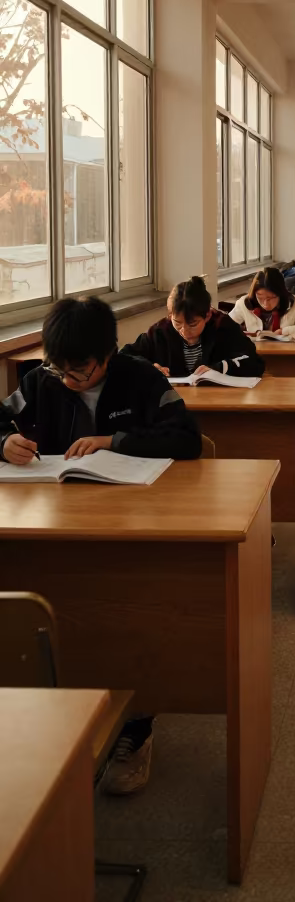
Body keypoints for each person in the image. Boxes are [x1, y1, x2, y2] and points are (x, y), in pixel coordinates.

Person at [0, 295, 202, 796]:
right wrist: (3, 443)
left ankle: (135, 725)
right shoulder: (40, 382)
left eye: (80, 369)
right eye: (58, 368)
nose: (67, 378)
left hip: (133, 529)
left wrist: (115, 440)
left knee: (126, 612)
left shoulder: (140, 378)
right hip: (56, 526)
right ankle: (56, 704)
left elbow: (186, 438)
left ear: (107, 354)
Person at [122, 275, 266, 380]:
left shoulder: (222, 327)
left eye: (192, 324)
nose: (184, 331)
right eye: (177, 323)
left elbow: (255, 362)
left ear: (208, 315)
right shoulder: (160, 332)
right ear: (170, 315)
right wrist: (149, 368)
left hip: (217, 402)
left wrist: (219, 368)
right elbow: (122, 359)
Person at [229, 267, 295, 338]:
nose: (265, 303)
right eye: (260, 297)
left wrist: (284, 331)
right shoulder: (244, 303)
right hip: (255, 354)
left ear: (280, 293)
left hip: (286, 355)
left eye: (270, 298)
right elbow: (225, 327)